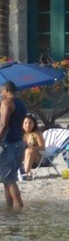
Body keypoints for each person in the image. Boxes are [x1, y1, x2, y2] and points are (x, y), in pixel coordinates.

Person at [0, 81, 26, 209]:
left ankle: (19, 208)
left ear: (6, 89)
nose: (1, 93)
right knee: (7, 179)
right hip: (19, 144)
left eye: (1, 91)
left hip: (8, 145)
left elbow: (4, 125)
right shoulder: (20, 103)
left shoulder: (7, 103)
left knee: (10, 180)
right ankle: (10, 210)